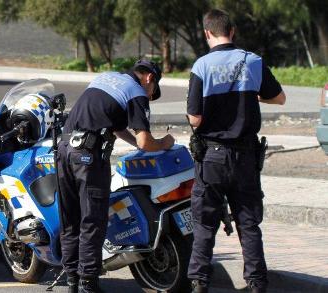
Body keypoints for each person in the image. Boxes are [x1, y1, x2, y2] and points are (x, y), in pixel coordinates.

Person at [186, 9, 286, 293]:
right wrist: (250, 92)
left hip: (212, 158)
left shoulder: (202, 66)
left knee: (205, 224)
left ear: (207, 33)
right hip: (245, 156)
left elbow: (195, 119)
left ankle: (199, 283)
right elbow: (279, 97)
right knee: (248, 223)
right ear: (233, 31)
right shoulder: (252, 61)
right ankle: (256, 283)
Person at [57, 60, 174, 293]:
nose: (149, 97)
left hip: (64, 150)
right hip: (88, 157)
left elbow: (116, 127)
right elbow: (145, 140)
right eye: (153, 92)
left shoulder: (105, 78)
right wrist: (164, 143)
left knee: (70, 220)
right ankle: (88, 284)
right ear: (150, 78)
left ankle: (72, 281)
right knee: (92, 220)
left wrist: (137, 146)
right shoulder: (136, 91)